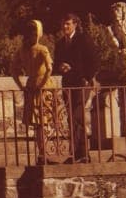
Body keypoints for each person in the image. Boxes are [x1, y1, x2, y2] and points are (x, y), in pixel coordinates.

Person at [54, 13, 99, 162]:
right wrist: (61, 66)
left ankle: (82, 153)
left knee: (78, 117)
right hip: (68, 84)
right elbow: (56, 63)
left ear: (75, 24)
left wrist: (87, 77)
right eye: (63, 24)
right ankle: (77, 154)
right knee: (71, 119)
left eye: (68, 23)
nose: (65, 26)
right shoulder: (60, 43)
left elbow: (93, 60)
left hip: (81, 83)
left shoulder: (83, 39)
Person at [11, 19, 57, 161]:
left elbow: (13, 70)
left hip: (31, 85)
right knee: (43, 121)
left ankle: (42, 153)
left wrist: (21, 86)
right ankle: (43, 153)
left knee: (39, 123)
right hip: (43, 86)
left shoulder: (21, 51)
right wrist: (42, 83)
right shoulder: (42, 49)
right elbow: (49, 68)